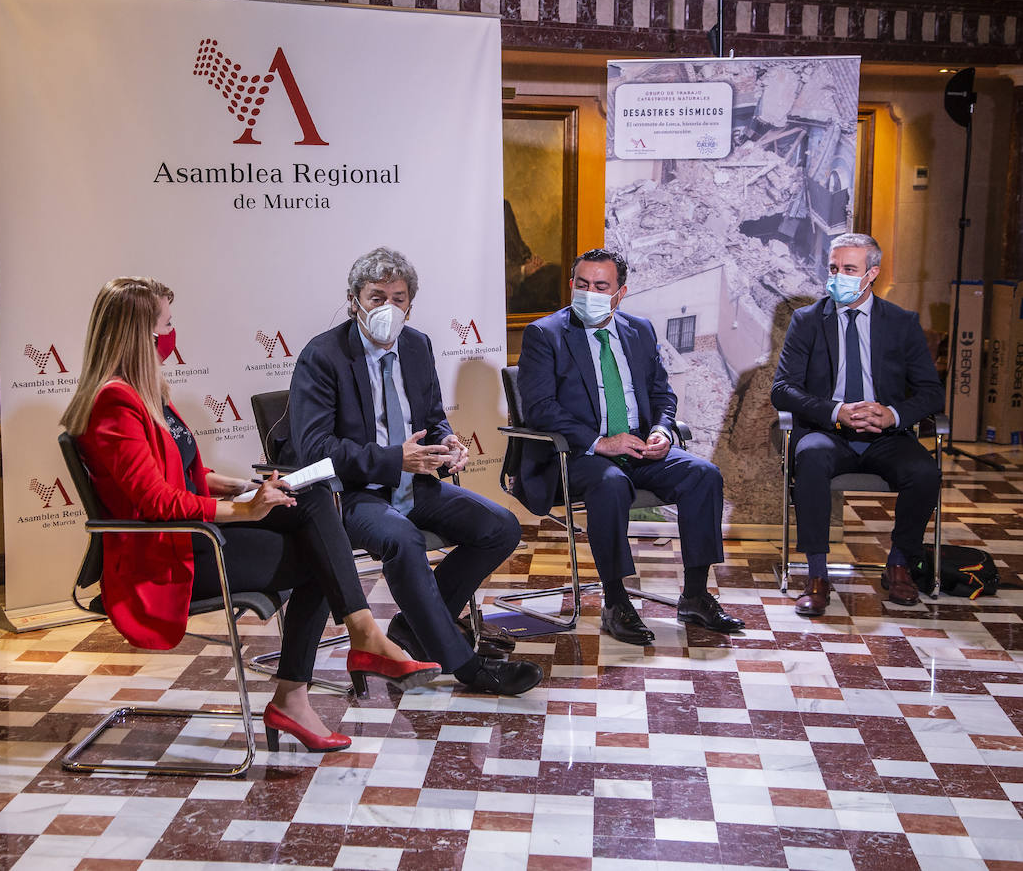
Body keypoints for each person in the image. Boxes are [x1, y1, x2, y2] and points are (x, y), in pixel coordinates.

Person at [61, 277, 439, 754]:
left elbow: (184, 473)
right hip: (169, 555)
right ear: (141, 335)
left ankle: (351, 645)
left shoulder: (146, 393)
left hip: (193, 534)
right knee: (319, 557)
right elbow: (156, 501)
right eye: (167, 325)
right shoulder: (114, 404)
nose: (173, 334)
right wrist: (243, 509)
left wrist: (242, 486)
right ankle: (312, 681)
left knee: (311, 494)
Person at [288, 248, 542, 696]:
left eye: (398, 298)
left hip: (414, 483)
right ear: (353, 301)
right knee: (403, 540)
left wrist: (447, 442)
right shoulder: (322, 355)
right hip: (353, 494)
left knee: (501, 527)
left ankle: (413, 627)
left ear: (410, 304)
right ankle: (466, 666)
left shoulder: (417, 344)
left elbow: (432, 416)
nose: (387, 308)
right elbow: (315, 449)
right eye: (376, 297)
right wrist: (393, 460)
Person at [515, 248, 744, 645]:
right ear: (571, 285)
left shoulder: (639, 330)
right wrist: (600, 442)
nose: (589, 293)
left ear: (620, 293)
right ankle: (616, 602)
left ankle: (695, 595)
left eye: (601, 286)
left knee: (703, 475)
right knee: (611, 483)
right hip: (576, 454)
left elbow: (662, 393)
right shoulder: (545, 334)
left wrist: (662, 431)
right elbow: (540, 408)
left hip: (637, 445)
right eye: (582, 284)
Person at [771, 233, 944, 615]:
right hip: (827, 432)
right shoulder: (807, 321)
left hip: (887, 436)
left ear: (872, 273)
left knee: (924, 473)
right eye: (833, 268)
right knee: (811, 459)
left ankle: (899, 565)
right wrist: (836, 411)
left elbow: (932, 393)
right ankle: (817, 576)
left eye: (849, 269)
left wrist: (892, 414)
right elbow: (782, 390)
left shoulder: (901, 323)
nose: (838, 277)